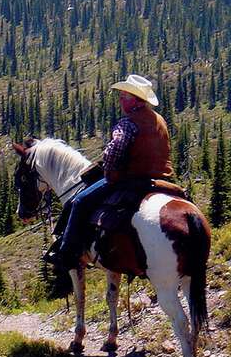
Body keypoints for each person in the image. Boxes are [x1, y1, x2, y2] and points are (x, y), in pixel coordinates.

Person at [47, 74, 174, 270]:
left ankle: (66, 253)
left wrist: (109, 167)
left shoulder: (127, 123)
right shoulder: (159, 120)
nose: (121, 100)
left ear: (135, 100)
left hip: (130, 179)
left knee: (79, 202)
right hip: (160, 177)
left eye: (124, 96)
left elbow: (113, 154)